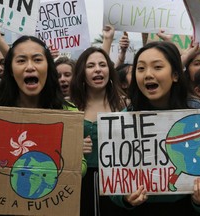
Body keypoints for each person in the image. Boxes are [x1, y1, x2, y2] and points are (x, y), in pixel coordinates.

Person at [110, 41, 200, 215]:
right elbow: (114, 176)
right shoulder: (125, 118)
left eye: (157, 67)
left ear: (175, 75)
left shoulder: (196, 113)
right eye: (141, 68)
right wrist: (125, 197)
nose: (148, 74)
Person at [70, 46, 127, 216]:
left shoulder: (125, 105)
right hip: (80, 183)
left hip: (117, 181)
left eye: (102, 64)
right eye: (90, 66)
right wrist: (73, 149)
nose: (97, 69)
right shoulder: (68, 106)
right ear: (81, 72)